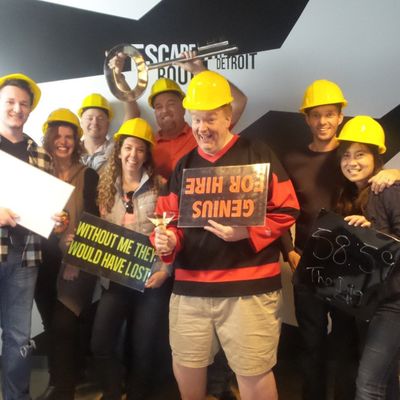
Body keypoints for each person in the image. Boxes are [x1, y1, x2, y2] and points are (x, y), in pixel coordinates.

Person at [152, 70, 299, 400]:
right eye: (197, 119)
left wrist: (247, 232)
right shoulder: (184, 165)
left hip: (249, 291)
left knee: (254, 372)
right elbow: (166, 220)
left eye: (210, 119)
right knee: (186, 365)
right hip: (190, 290)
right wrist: (168, 241)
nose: (202, 128)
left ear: (228, 117)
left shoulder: (258, 153)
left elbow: (288, 209)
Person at [280, 79, 400, 400]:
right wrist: (289, 251)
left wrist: (395, 173)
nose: (323, 121)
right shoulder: (294, 159)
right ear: (306, 118)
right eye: (316, 114)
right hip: (309, 264)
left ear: (340, 117)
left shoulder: (353, 157)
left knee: (347, 346)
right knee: (312, 345)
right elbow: (279, 208)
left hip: (352, 274)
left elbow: (385, 201)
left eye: (329, 114)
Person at [91, 118, 172, 400]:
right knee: (100, 343)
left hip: (150, 280)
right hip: (114, 279)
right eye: (128, 148)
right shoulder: (104, 184)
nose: (133, 155)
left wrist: (166, 271)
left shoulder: (160, 186)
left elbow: (172, 233)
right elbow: (97, 231)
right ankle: (113, 392)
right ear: (119, 150)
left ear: (147, 153)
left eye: (140, 149)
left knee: (143, 348)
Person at [33, 108, 99, 400]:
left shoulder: (89, 175)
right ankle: (60, 377)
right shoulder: (37, 173)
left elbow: (94, 223)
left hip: (76, 263)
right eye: (57, 136)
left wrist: (75, 260)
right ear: (48, 138)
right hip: (41, 262)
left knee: (63, 322)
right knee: (51, 323)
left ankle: (63, 390)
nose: (63, 142)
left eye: (69, 136)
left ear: (77, 140)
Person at [335, 115, 400, 400]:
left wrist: (373, 233)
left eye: (360, 154)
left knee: (368, 385)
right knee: (386, 380)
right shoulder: (351, 195)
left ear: (376, 157)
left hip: (393, 304)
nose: (352, 162)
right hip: (371, 301)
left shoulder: (389, 190)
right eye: (346, 155)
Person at [0, 73, 53, 400]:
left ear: (30, 109)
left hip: (26, 255)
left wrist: (57, 217)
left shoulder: (41, 155)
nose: (17, 109)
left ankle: (16, 396)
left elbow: (46, 206)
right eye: (10, 102)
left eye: (23, 104)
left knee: (19, 337)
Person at [147, 51, 247, 180]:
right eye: (158, 106)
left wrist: (200, 71)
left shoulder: (204, 133)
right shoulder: (148, 145)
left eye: (171, 104)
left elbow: (239, 101)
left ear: (183, 107)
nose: (165, 110)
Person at [78, 90, 139, 172]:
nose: (95, 122)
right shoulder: (71, 149)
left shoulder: (115, 147)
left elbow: (133, 114)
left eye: (100, 118)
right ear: (81, 122)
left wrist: (121, 87)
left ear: (108, 124)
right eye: (90, 118)